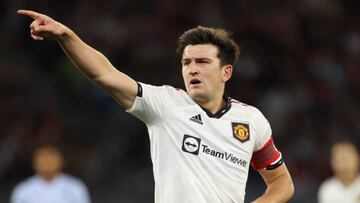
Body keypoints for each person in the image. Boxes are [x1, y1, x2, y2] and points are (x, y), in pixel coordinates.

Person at [17, 9, 294, 203]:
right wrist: (67, 36)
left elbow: (282, 182)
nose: (192, 69)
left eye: (202, 62)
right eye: (187, 63)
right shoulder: (166, 104)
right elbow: (105, 74)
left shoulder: (251, 119)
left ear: (226, 72)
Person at [10, 145, 91, 203]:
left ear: (61, 162)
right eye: (43, 161)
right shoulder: (24, 189)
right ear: (35, 164)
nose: (47, 164)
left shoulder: (74, 186)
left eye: (50, 161)